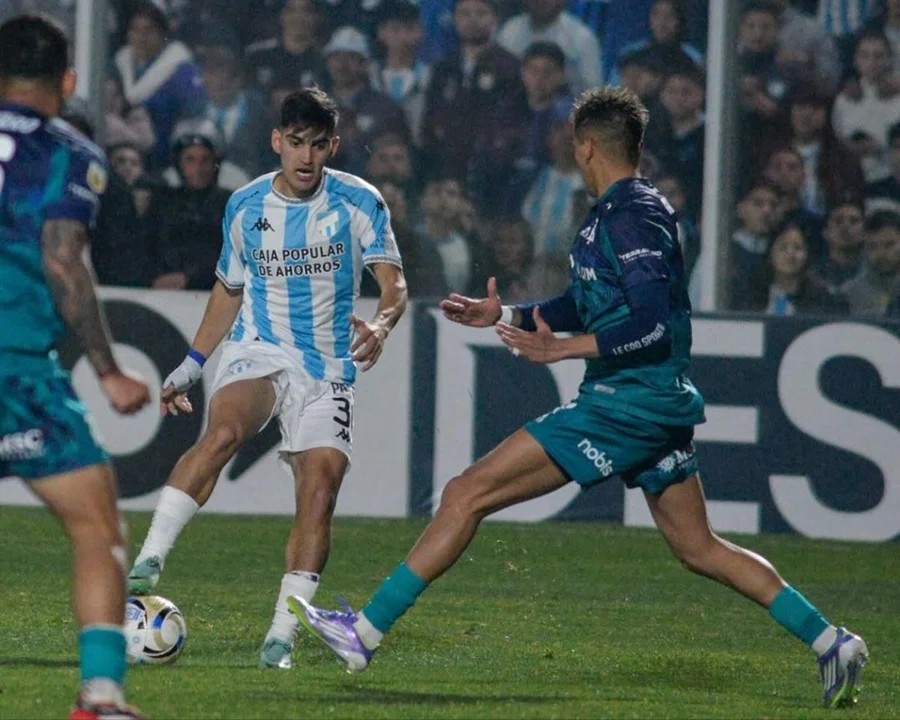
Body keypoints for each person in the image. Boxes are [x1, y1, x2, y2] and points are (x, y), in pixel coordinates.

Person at [293, 86, 869, 710]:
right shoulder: (617, 212)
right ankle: (831, 641)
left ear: (588, 147)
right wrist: (505, 313)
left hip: (628, 401)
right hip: (650, 400)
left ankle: (364, 633)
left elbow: (652, 322)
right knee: (698, 547)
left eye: (574, 145)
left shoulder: (632, 217)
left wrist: (563, 350)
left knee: (466, 492)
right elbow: (584, 302)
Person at [125, 87, 408, 671]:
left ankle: (281, 635)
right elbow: (229, 290)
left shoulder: (360, 201)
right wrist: (191, 364)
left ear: (333, 146)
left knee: (319, 490)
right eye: (296, 143)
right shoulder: (246, 205)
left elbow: (394, 284)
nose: (306, 157)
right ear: (278, 141)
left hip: (327, 367)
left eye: (318, 145)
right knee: (225, 431)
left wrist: (382, 324)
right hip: (259, 347)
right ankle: (148, 559)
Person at [0, 15, 151, 720]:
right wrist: (108, 369)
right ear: (66, 81)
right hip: (16, 371)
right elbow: (63, 262)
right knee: (96, 527)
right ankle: (100, 696)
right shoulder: (68, 153)